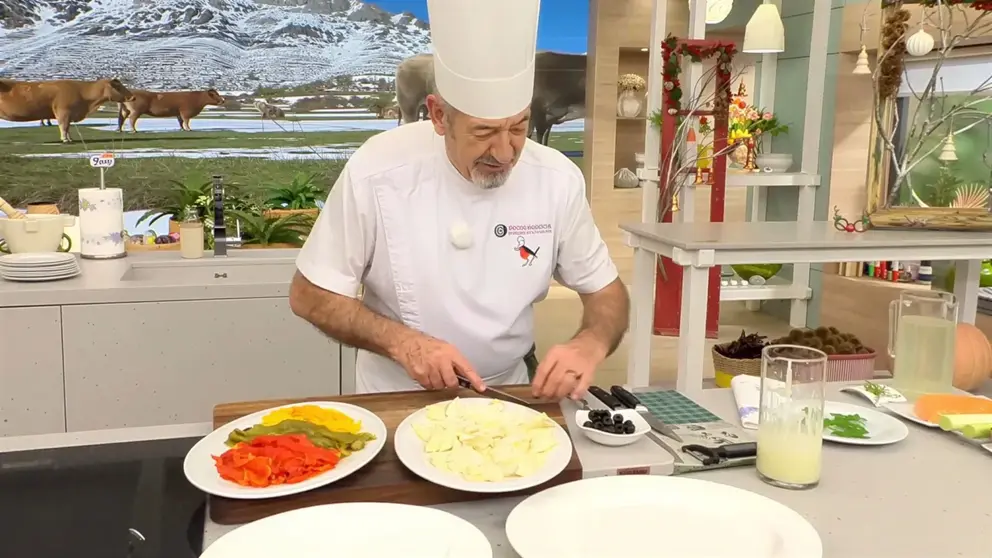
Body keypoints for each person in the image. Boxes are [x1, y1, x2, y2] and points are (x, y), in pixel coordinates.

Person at [289, 0, 629, 400]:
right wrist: (405, 344)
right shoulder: (377, 169)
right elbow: (309, 294)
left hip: (510, 393)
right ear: (437, 116)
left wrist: (589, 343)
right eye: (483, 132)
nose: (505, 153)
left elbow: (608, 294)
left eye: (518, 127)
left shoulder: (558, 179)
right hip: (397, 395)